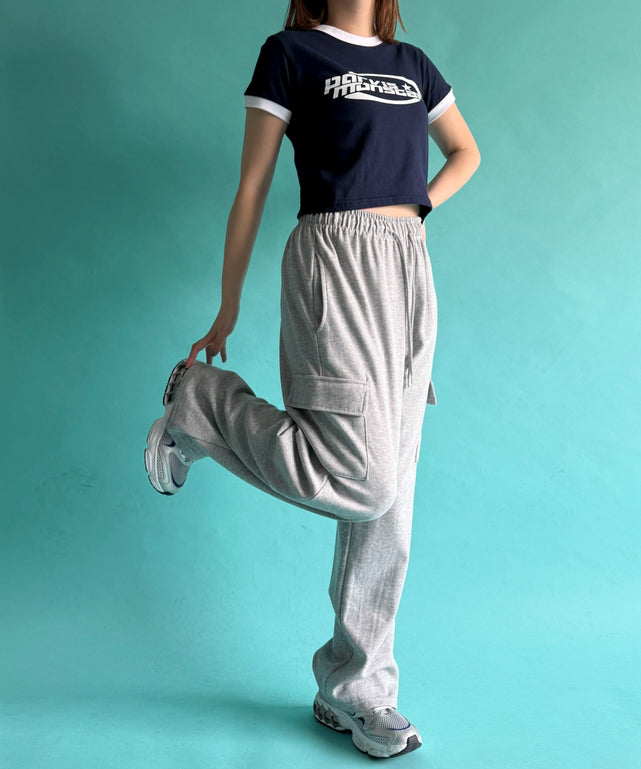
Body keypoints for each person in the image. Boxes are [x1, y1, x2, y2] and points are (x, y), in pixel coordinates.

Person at [144, 0, 480, 758]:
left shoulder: (414, 65)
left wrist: (416, 206)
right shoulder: (291, 53)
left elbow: (465, 152)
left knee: (392, 496)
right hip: (334, 256)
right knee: (364, 479)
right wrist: (228, 304)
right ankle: (201, 401)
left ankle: (356, 690)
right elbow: (253, 185)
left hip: (408, 264)